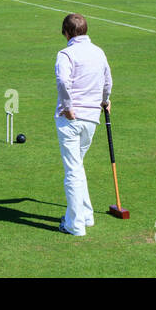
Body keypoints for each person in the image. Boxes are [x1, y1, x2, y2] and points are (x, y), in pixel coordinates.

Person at [54, 13, 112, 237]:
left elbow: (62, 80)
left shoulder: (66, 54)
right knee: (78, 166)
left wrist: (67, 106)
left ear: (66, 32)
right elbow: (108, 81)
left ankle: (74, 225)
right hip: (91, 117)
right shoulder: (99, 52)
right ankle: (86, 215)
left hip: (71, 118)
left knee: (72, 170)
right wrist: (105, 101)